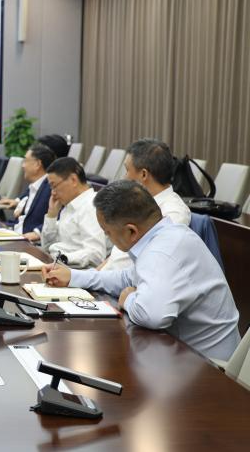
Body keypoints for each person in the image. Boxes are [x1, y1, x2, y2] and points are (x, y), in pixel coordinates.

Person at [42, 181, 239, 361]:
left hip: (209, 367)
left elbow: (152, 315)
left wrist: (128, 299)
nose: (108, 238)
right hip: (181, 352)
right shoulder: (164, 236)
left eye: (107, 232)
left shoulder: (163, 251)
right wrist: (73, 276)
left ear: (131, 231)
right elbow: (126, 278)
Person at [100, 138, 191, 270]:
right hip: (109, 276)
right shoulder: (136, 201)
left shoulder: (173, 214)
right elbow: (116, 258)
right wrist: (94, 273)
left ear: (143, 174)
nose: (124, 177)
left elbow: (152, 265)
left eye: (127, 170)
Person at [40, 157, 108, 268]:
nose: (53, 193)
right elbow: (47, 247)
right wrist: (52, 215)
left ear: (73, 180)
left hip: (76, 270)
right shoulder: (69, 206)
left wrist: (63, 258)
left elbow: (96, 254)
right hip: (59, 265)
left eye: (54, 186)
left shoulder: (91, 206)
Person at [0, 143, 55, 241]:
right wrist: (18, 201)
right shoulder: (35, 185)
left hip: (27, 240)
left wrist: (38, 233)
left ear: (37, 164)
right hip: (15, 231)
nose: (22, 166)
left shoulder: (51, 187)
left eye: (26, 161)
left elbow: (60, 217)